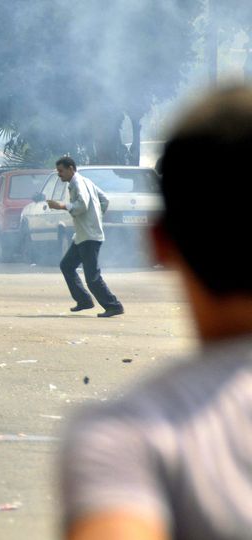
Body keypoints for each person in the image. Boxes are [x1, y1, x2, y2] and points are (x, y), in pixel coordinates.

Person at [60, 85, 252, 540]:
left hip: (87, 234)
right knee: (76, 268)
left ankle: (106, 302)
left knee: (86, 270)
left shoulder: (133, 435)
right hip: (87, 234)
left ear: (160, 243)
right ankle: (95, 300)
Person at [47, 156, 124, 317]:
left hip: (89, 236)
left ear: (70, 169)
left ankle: (113, 305)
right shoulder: (85, 181)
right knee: (67, 265)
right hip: (83, 235)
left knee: (92, 277)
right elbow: (105, 200)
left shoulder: (77, 183)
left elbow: (82, 205)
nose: (59, 174)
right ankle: (84, 300)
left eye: (61, 171)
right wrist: (95, 218)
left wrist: (61, 206)